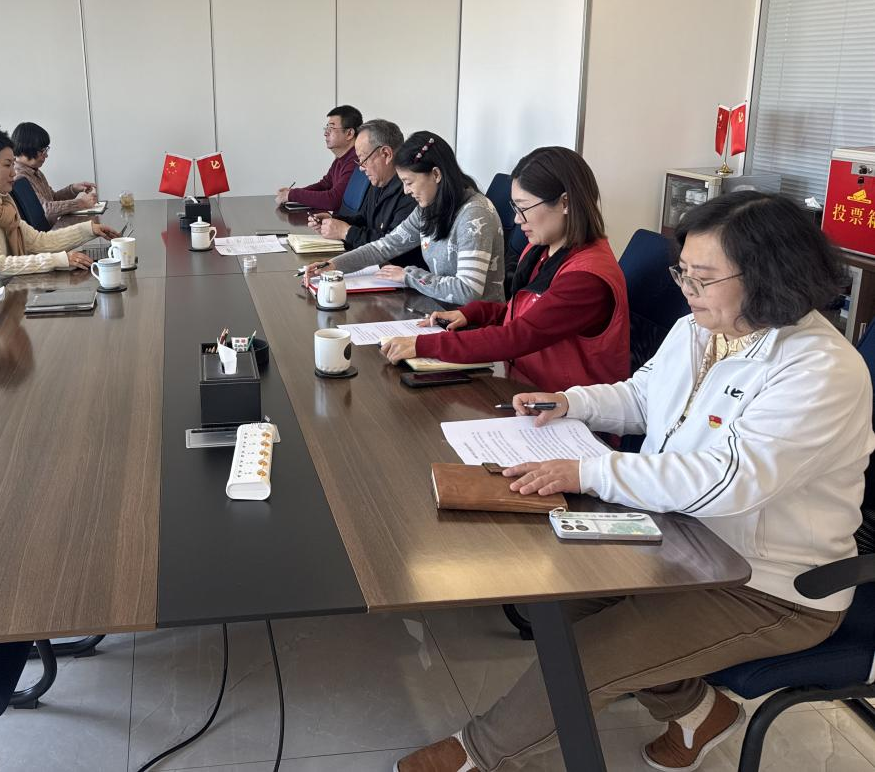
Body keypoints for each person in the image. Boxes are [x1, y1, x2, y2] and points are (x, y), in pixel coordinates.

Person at [397, 191, 873, 772]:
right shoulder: (702, 327)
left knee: (589, 654)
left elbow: (729, 480)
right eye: (683, 273)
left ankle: (476, 753)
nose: (686, 289)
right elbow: (644, 397)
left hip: (769, 583)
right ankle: (698, 710)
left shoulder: (819, 369)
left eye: (703, 277)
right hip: (679, 538)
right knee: (555, 591)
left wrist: (589, 471)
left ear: (769, 276)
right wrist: (571, 403)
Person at [382, 146, 629, 392]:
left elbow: (520, 335)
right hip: (524, 385)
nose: (517, 219)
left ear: (565, 202)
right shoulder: (542, 250)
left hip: (566, 405)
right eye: (515, 208)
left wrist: (422, 345)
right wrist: (473, 313)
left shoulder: (587, 278)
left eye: (524, 208)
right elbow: (527, 313)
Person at [303, 132, 504, 305]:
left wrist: (408, 276)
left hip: (475, 322)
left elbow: (468, 291)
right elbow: (383, 247)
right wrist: (333, 265)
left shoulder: (474, 214)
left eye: (409, 182)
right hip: (440, 309)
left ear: (436, 174)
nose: (406, 191)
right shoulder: (428, 208)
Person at [0, 120, 119, 289]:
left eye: (13, 164)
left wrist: (90, 230)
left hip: (8, 290)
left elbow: (38, 241)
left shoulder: (2, 202)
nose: (14, 173)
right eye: (7, 165)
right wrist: (59, 260)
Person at [305, 118, 422, 268]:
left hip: (399, 274)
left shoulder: (412, 193)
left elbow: (392, 247)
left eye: (363, 159)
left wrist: (346, 232)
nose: (361, 168)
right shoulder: (378, 183)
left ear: (386, 154)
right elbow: (365, 220)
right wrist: (334, 221)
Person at [276, 105, 362, 211]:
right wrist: (290, 193)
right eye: (326, 128)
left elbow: (334, 200)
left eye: (331, 128)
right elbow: (324, 185)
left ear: (349, 133)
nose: (325, 133)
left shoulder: (356, 160)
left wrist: (293, 194)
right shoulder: (341, 159)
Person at [10, 121, 98, 223]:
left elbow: (53, 198)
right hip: (44, 232)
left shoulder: (35, 171)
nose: (46, 155)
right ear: (26, 149)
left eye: (46, 150)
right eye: (42, 151)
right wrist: (81, 203)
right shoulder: (19, 177)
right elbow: (45, 209)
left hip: (52, 227)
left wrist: (73, 189)